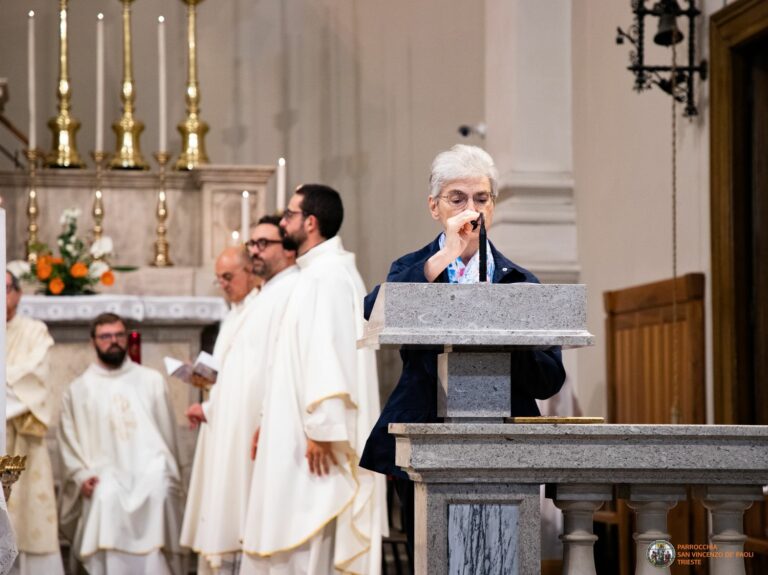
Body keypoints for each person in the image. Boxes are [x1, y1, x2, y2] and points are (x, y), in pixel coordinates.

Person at [359, 144, 567, 554]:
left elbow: (549, 380)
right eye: (457, 199)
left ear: (493, 206)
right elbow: (376, 311)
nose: (471, 210)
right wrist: (446, 256)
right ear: (434, 207)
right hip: (425, 435)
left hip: (504, 442)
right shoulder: (412, 268)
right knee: (432, 554)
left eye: (481, 198)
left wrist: (507, 334)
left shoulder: (520, 281)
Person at [240, 186, 386, 575]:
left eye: (289, 214)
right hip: (296, 429)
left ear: (310, 223)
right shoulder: (314, 273)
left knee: (308, 541)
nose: (282, 221)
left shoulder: (330, 276)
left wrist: (324, 428)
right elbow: (292, 360)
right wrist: (268, 419)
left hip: (315, 441)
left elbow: (329, 353)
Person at [181, 224, 299, 573]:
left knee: (238, 506)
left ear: (249, 271)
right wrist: (209, 400)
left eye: (228, 276)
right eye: (219, 279)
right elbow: (233, 372)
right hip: (225, 417)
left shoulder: (264, 303)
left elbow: (261, 371)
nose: (223, 284)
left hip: (247, 421)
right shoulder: (235, 314)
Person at [58, 313, 186, 575]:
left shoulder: (151, 380)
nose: (113, 341)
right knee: (106, 496)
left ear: (127, 338)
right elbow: (68, 441)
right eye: (106, 336)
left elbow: (168, 437)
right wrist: (81, 475)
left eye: (119, 335)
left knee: (160, 489)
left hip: (150, 471)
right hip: (105, 473)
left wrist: (169, 470)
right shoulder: (79, 389)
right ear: (93, 341)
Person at [4, 271, 65, 575]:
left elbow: (35, 377)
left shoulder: (34, 331)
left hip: (23, 438)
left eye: (5, 288)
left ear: (18, 293)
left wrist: (4, 389)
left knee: (29, 517)